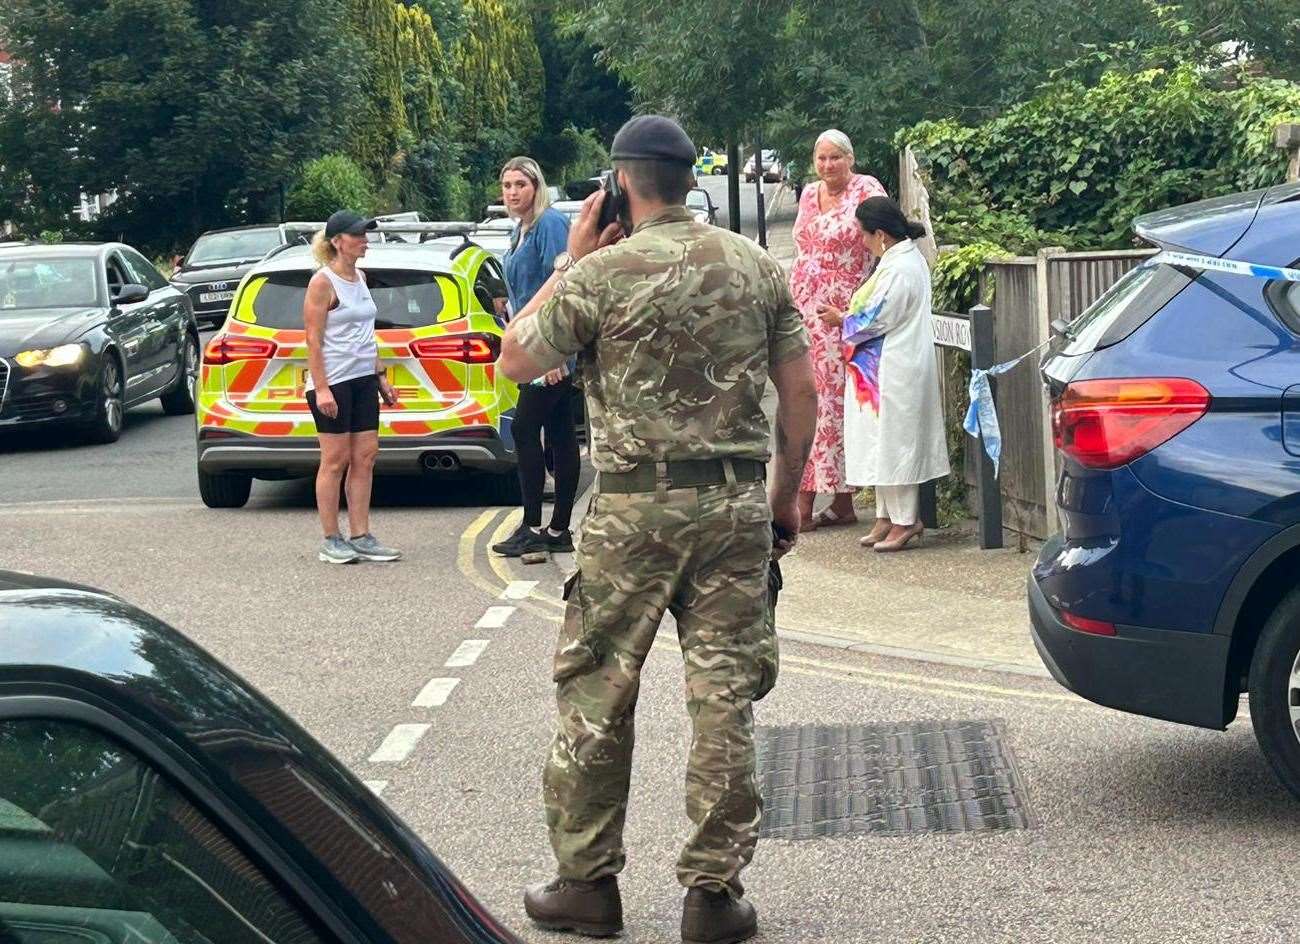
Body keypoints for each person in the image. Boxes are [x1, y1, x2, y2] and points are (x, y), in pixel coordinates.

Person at [498, 114, 817, 944]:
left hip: (634, 511)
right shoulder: (755, 267)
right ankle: (713, 897)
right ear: (687, 182)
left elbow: (516, 360)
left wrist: (571, 258)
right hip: (735, 508)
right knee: (724, 701)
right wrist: (784, 501)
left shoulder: (599, 273)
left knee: (598, 694)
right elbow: (801, 396)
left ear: (620, 185)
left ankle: (587, 886)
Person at [817, 196, 950, 552]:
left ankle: (906, 518)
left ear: (880, 235)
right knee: (880, 441)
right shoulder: (897, 260)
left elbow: (878, 316)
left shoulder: (901, 267)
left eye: (863, 234)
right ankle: (886, 515)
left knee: (895, 441)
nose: (861, 241)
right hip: (882, 368)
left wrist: (842, 318)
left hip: (895, 366)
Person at [788, 129, 887, 531]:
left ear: (851, 158)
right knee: (814, 398)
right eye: (821, 158)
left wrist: (860, 306)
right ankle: (843, 502)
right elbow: (802, 248)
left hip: (843, 314)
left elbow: (886, 241)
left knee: (829, 405)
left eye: (835, 158)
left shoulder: (867, 189)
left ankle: (804, 502)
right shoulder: (809, 194)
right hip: (806, 315)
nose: (828, 166)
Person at [491, 157, 580, 558]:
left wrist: (556, 349)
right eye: (507, 185)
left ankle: (532, 525)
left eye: (520, 185)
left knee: (526, 430)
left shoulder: (549, 224)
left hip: (549, 349)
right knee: (559, 433)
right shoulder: (520, 230)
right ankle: (558, 529)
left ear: (536, 186)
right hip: (532, 346)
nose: (512, 193)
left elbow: (564, 283)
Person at [302, 210, 401, 565]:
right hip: (333, 381)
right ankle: (331, 538)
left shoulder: (360, 277)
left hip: (362, 379)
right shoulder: (322, 282)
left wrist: (381, 377)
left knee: (365, 456)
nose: (365, 240)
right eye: (358, 235)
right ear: (337, 241)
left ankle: (361, 534)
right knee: (335, 459)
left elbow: (365, 334)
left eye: (365, 235)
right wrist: (323, 388)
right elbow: (313, 339)